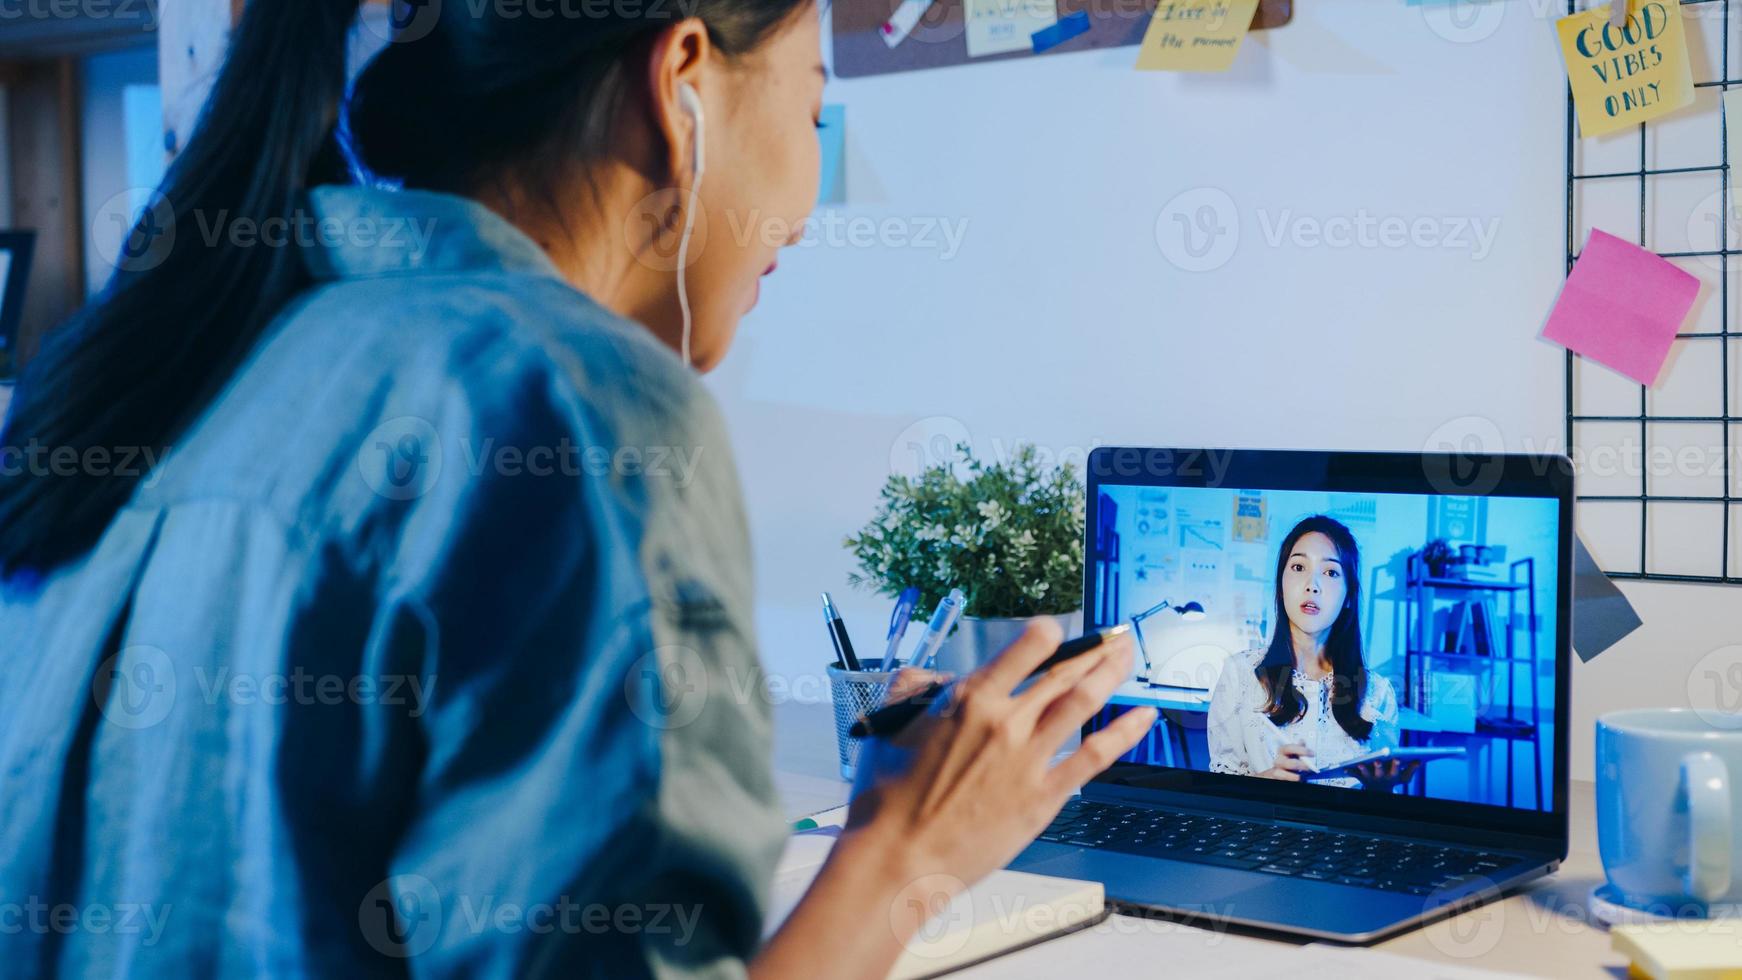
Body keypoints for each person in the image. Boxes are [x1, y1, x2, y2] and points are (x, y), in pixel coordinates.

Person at [0, 2, 1157, 976]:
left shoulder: (175, 360)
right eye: (812, 111)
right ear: (682, 80)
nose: (803, 213)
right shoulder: (562, 405)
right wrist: (906, 855)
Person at [1205, 516, 1415, 792]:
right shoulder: (1240, 673)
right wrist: (1268, 780)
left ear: (1349, 596)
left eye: (1330, 572)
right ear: (1281, 584)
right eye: (1298, 567)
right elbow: (1220, 793)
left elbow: (1382, 808)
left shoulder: (1378, 693)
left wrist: (1381, 791)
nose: (1312, 584)